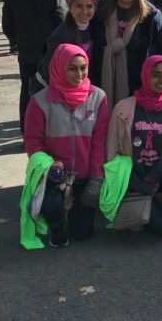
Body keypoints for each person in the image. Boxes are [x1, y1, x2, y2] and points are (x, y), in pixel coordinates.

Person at [23, 44, 109, 247]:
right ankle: (57, 223)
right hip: (54, 177)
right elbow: (33, 142)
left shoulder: (98, 97)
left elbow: (100, 141)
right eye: (72, 68)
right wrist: (50, 166)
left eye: (83, 67)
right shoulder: (40, 101)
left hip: (84, 177)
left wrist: (96, 179)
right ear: (59, 68)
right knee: (51, 205)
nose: (79, 74)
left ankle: (72, 212)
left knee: (83, 233)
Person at [106, 56, 162, 239]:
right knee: (160, 227)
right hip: (132, 177)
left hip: (159, 176)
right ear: (145, 76)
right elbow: (111, 153)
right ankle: (149, 209)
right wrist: (139, 184)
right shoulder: (124, 108)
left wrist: (158, 170)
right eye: (156, 75)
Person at [2, 0, 67, 133]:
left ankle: (27, 129)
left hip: (26, 51)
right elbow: (63, 22)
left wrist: (17, 41)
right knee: (52, 90)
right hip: (50, 52)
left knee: (28, 91)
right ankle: (51, 129)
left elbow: (7, 25)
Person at [95, 0, 162, 109]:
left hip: (136, 83)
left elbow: (157, 50)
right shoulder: (98, 8)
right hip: (101, 78)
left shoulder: (151, 16)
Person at [35, 0, 99, 89]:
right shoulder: (62, 35)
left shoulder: (94, 27)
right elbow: (50, 68)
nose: (84, 11)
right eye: (79, 6)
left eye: (89, 6)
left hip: (74, 81)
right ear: (69, 7)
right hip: (50, 86)